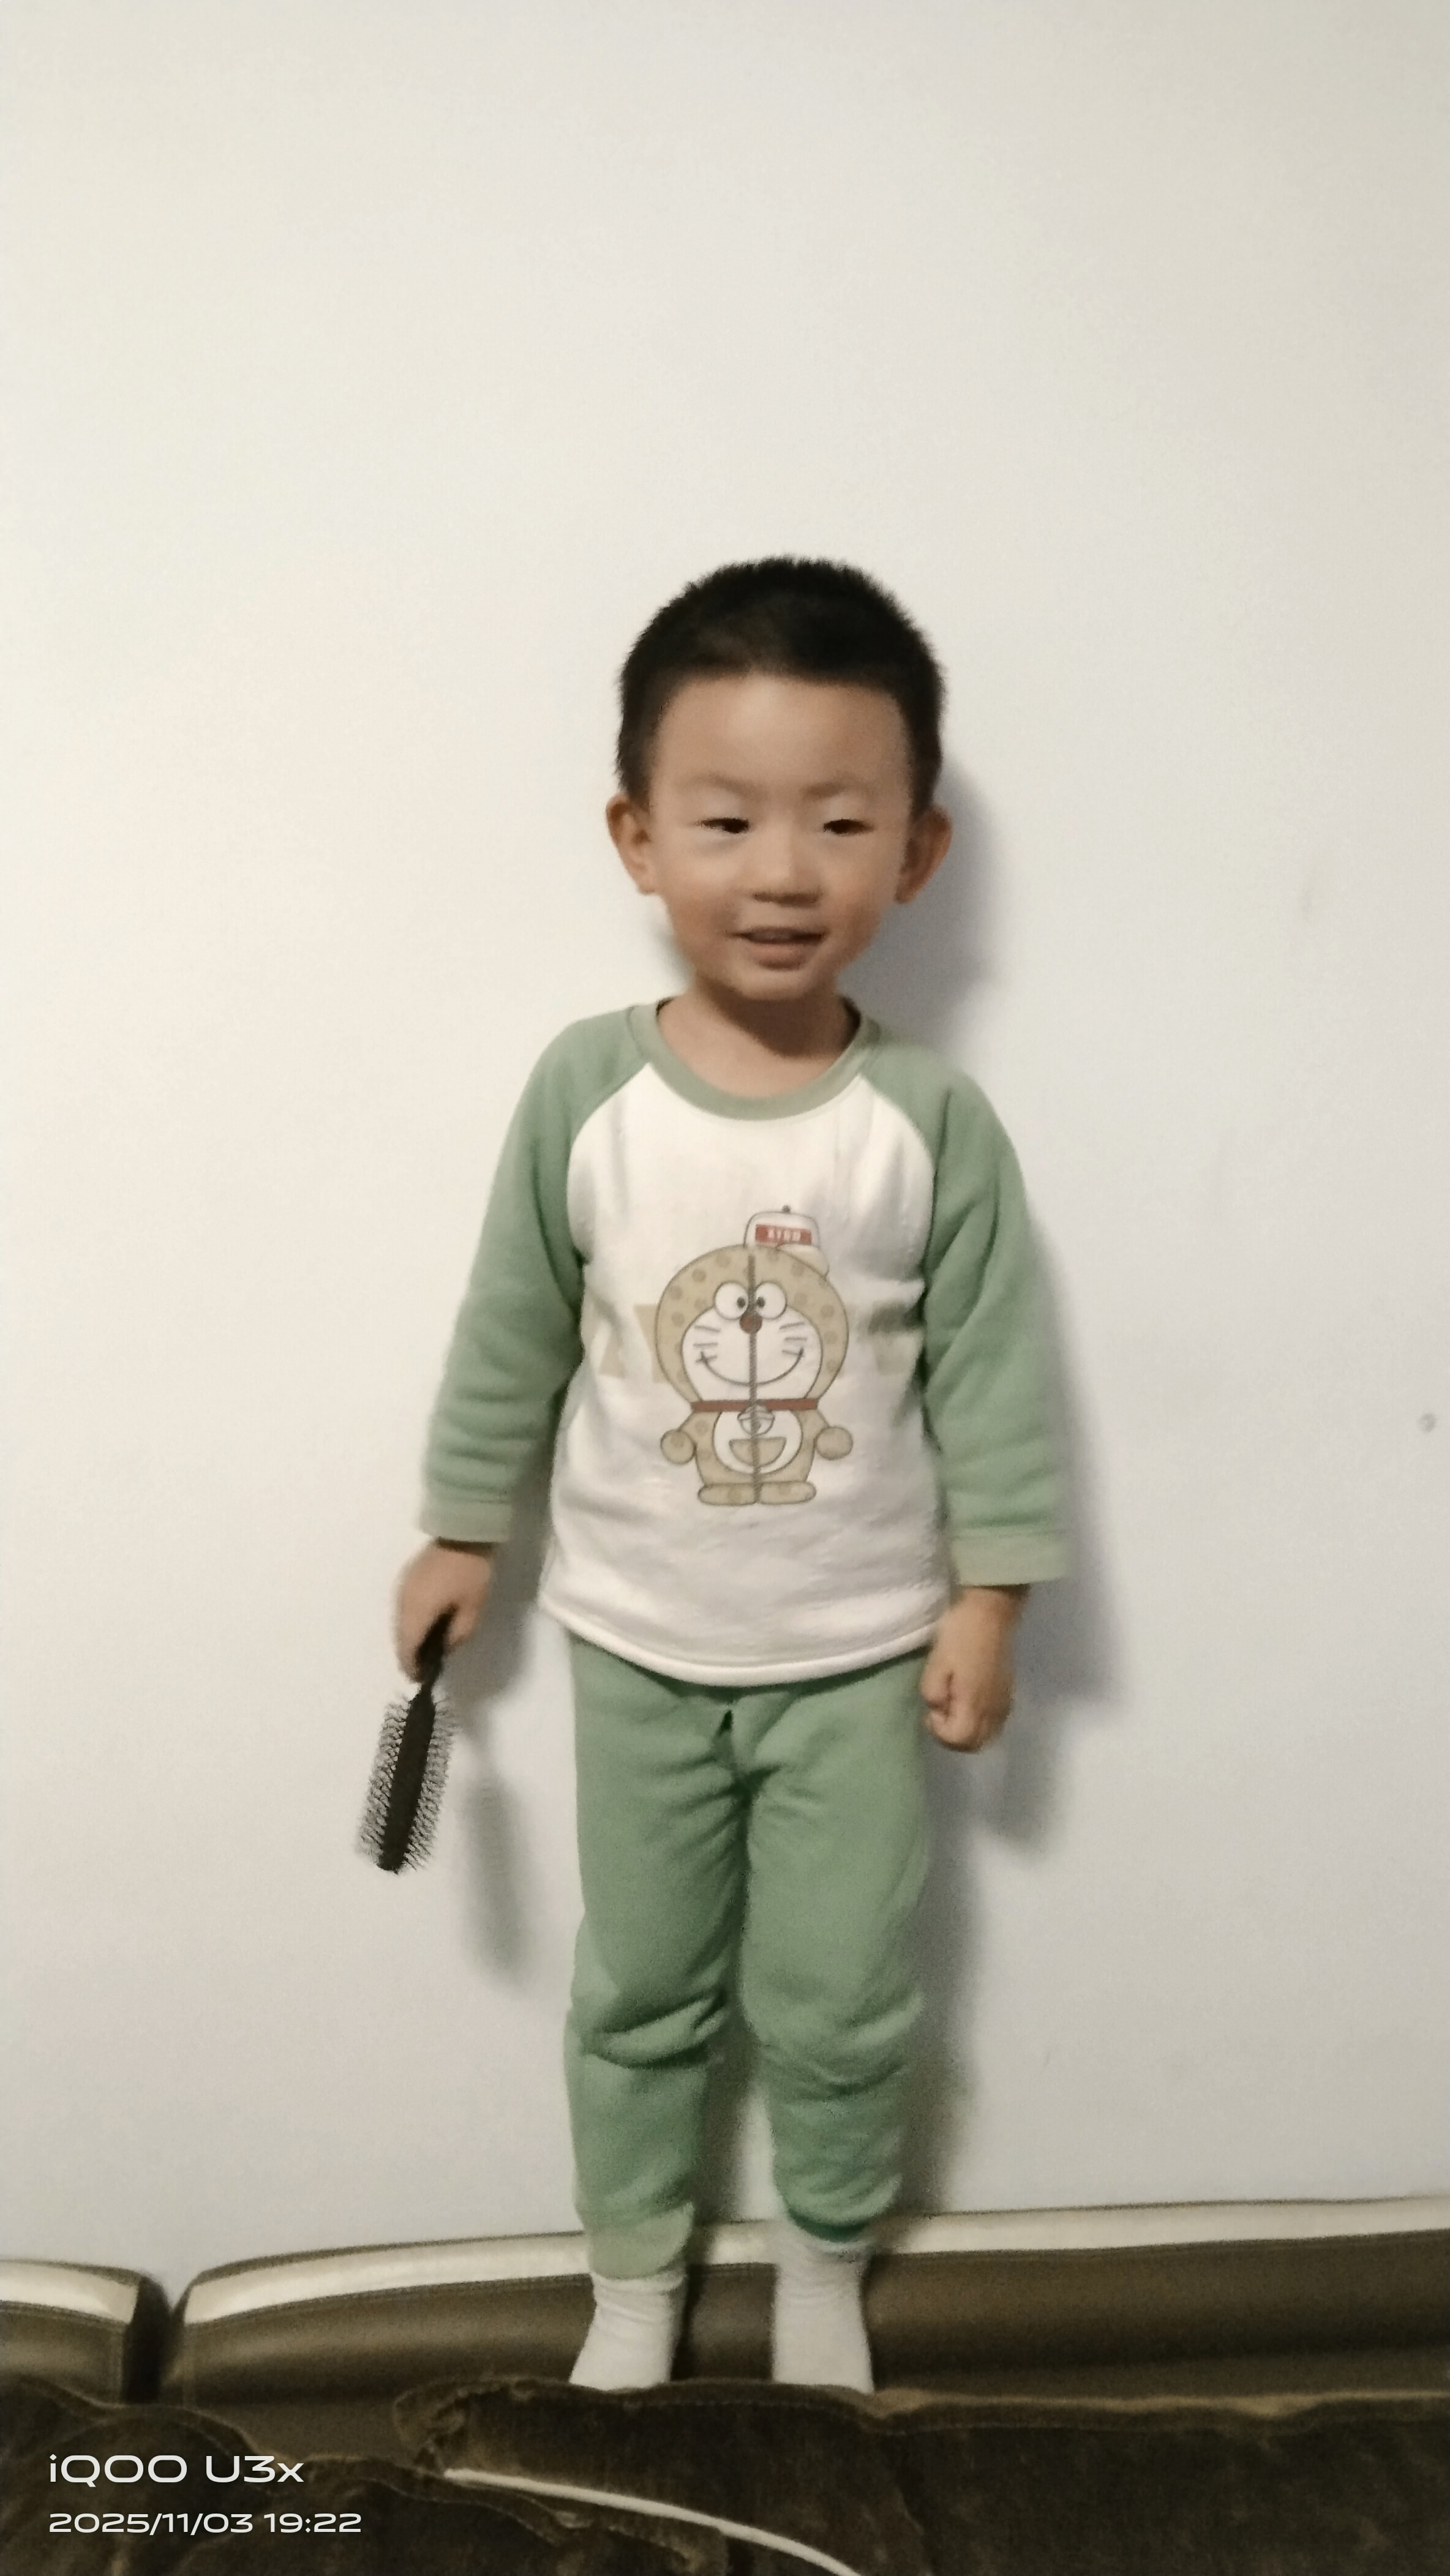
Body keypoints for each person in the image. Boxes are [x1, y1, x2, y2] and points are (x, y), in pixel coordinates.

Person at [394, 558, 1067, 2392]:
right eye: (727, 819)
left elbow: (993, 1370)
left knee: (842, 1995)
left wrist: (991, 1595)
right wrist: (461, 1529)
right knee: (640, 1990)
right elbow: (514, 1325)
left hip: (857, 1656)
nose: (783, 870)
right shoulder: (585, 1095)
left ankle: (825, 2262)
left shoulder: (925, 1122)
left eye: (839, 823)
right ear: (638, 837)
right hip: (637, 1642)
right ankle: (633, 2278)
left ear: (915, 853)